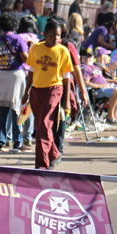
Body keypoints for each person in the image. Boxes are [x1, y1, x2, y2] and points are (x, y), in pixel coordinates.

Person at [24, 19, 72, 169]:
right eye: (52, 35)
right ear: (45, 34)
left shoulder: (63, 51)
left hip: (54, 89)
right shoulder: (36, 49)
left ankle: (41, 164)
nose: (56, 38)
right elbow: (31, 72)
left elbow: (66, 77)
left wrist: (67, 100)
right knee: (41, 126)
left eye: (58, 35)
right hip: (37, 90)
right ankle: (54, 154)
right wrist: (26, 92)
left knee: (45, 123)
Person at [0, 11, 30, 151]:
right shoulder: (18, 40)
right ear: (14, 25)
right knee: (16, 109)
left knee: (2, 111)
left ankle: (1, 140)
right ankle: (17, 141)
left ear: (0, 25)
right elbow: (25, 59)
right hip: (16, 76)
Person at [81, 50, 117, 125]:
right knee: (116, 91)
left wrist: (114, 81)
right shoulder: (84, 68)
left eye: (89, 56)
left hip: (105, 87)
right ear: (81, 57)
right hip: (96, 91)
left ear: (93, 57)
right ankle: (110, 117)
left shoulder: (95, 67)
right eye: (85, 57)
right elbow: (86, 83)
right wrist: (102, 86)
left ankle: (115, 115)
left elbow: (102, 79)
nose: (87, 58)